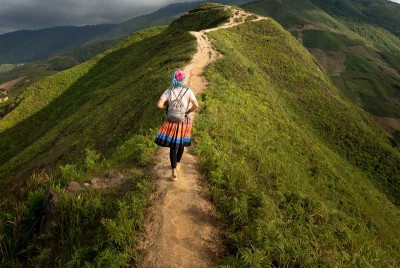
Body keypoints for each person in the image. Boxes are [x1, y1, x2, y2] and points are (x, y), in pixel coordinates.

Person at [155, 70, 199, 181]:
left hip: (171, 121)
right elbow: (196, 105)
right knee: (181, 143)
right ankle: (178, 163)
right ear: (183, 79)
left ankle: (173, 170)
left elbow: (159, 105)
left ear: (173, 79)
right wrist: (188, 111)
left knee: (173, 146)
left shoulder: (168, 91)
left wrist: (167, 109)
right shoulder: (188, 91)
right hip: (184, 121)